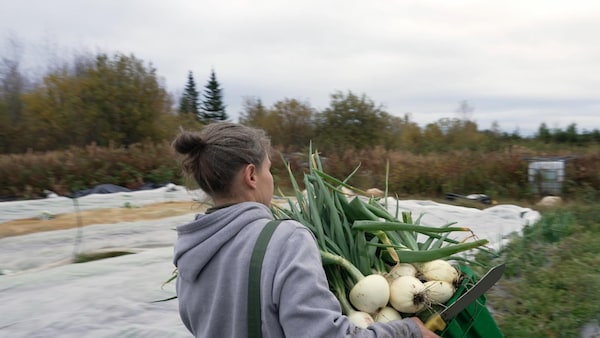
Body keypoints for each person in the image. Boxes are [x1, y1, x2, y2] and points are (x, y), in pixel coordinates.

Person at [171, 122, 439, 338]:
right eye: (269, 169)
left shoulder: (189, 254)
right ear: (251, 175)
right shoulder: (284, 240)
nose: (271, 179)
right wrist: (407, 331)